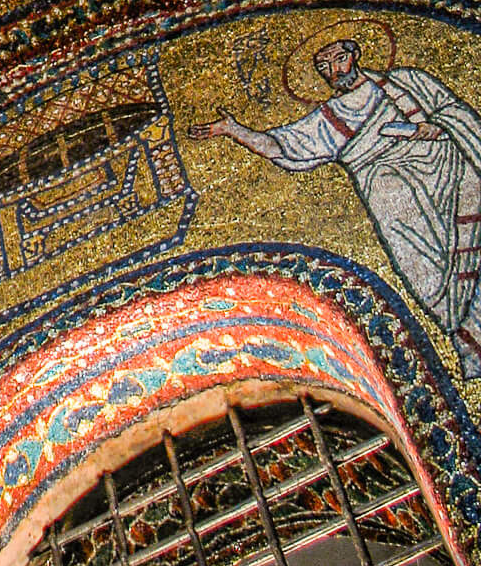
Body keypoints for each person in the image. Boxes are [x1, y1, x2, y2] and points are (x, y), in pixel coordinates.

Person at [193, 38, 481, 376]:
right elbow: (281, 147)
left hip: (449, 172)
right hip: (393, 200)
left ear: (355, 54)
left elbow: (454, 112)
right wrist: (234, 130)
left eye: (339, 59)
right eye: (324, 66)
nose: (333, 70)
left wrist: (433, 128)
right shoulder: (329, 117)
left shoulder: (407, 82)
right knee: (429, 273)